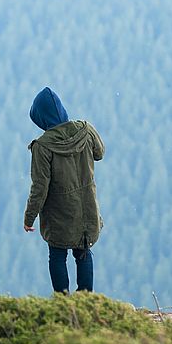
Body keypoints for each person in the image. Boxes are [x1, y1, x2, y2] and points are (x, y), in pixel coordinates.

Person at [24, 87, 105, 293]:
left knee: (57, 255)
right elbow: (100, 153)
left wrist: (29, 217)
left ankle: (62, 301)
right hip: (86, 209)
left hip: (59, 214)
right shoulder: (85, 130)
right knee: (83, 252)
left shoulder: (42, 147)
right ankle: (86, 301)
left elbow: (40, 187)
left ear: (41, 119)